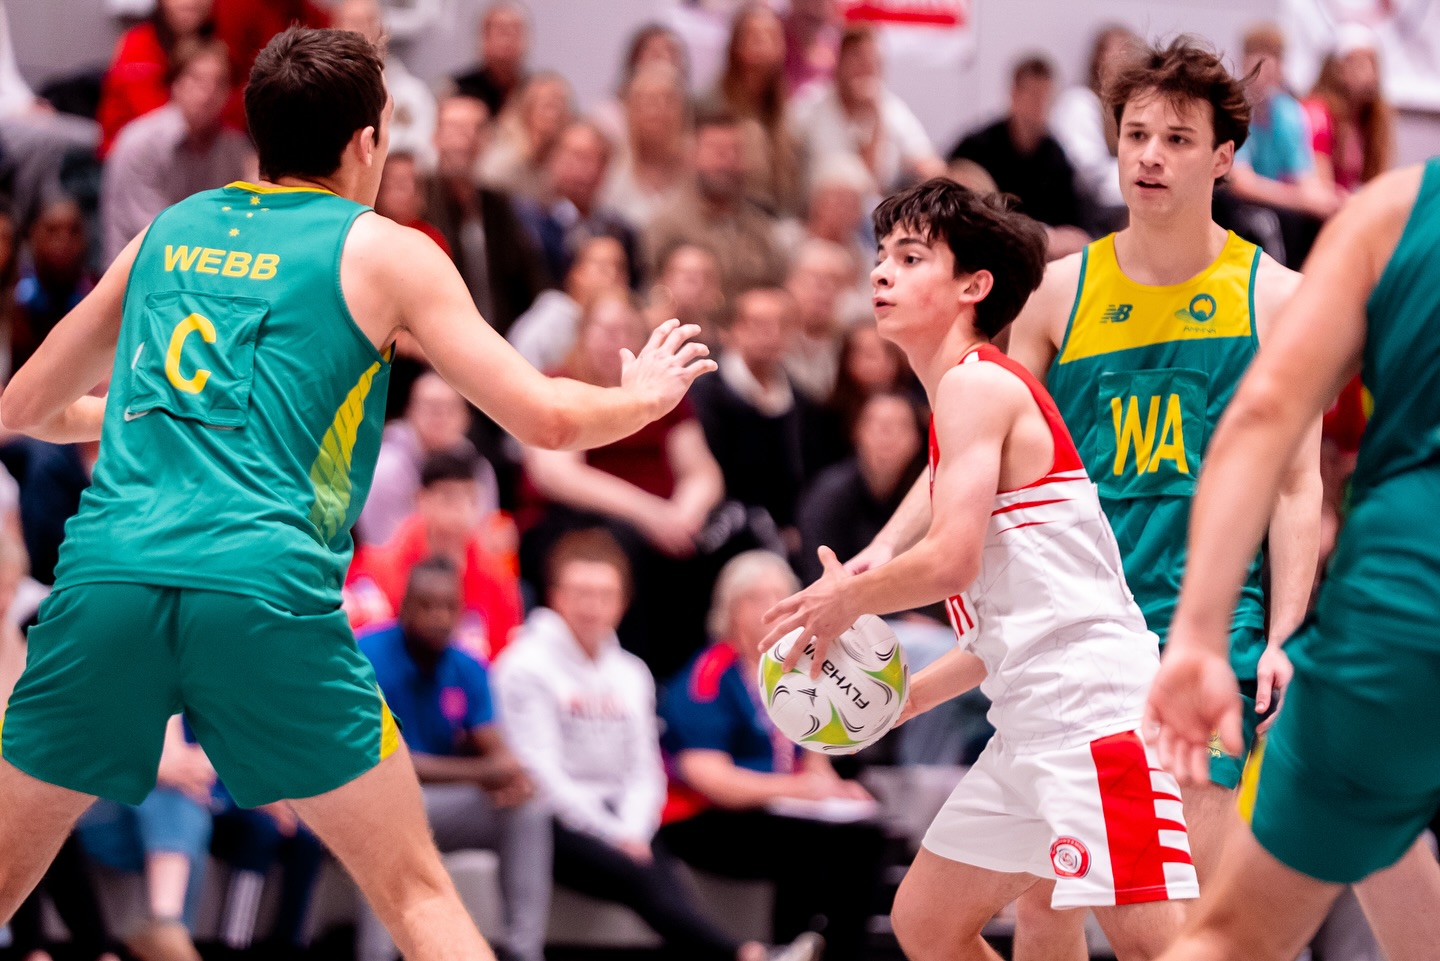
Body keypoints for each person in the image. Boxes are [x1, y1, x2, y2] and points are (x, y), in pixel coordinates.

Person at [0, 26, 714, 961]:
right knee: (416, 890)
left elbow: (25, 405)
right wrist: (644, 397)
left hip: (105, 588)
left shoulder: (166, 231)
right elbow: (542, 417)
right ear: (368, 143)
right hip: (261, 594)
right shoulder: (386, 251)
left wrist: (173, 411)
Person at [1005, 37, 1436, 959]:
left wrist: (1282, 631)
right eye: (1135, 135)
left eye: (1175, 137)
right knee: (1046, 905)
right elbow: (992, 467)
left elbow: (1291, 480)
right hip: (1079, 631)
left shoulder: (1274, 295)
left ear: (1224, 157)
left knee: (1191, 919)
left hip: (1207, 632)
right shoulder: (1054, 293)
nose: (1150, 155)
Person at [762, 177, 1198, 961]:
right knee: (926, 920)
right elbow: (1008, 626)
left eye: (910, 256)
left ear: (974, 285)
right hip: (1033, 711)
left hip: (1096, 712)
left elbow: (954, 558)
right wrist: (904, 699)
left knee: (1153, 944)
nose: (881, 272)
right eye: (882, 255)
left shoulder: (976, 384)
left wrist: (842, 602)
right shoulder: (955, 405)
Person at [1143, 161, 1440, 961]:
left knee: (1235, 937)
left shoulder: (1393, 210)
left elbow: (1267, 413)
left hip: (1408, 593)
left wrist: (1198, 634)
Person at [494, 530, 823, 961]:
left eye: (604, 594)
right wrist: (615, 835)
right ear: (555, 596)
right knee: (642, 874)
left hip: (622, 818)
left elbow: (643, 769)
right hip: (552, 822)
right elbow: (540, 775)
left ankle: (751, 955)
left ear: (623, 600)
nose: (592, 606)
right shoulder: (524, 665)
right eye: (580, 593)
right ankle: (747, 956)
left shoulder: (631, 673)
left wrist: (631, 828)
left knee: (654, 867)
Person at [661, 550, 886, 961]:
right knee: (802, 842)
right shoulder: (709, 675)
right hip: (705, 816)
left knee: (867, 835)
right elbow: (709, 777)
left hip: (781, 809)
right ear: (730, 609)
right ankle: (789, 949)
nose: (772, 608)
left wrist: (832, 789)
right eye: (757, 598)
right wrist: (800, 789)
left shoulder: (795, 670)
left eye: (781, 596)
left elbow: (812, 752)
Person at [518, 289, 727, 677]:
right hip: (574, 521)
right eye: (605, 331)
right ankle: (640, 675)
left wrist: (684, 513)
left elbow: (702, 472)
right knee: (622, 545)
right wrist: (650, 514)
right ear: (583, 334)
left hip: (661, 521)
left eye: (626, 331)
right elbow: (557, 475)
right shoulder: (558, 384)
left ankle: (695, 684)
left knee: (724, 538)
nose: (616, 342)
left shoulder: (662, 394)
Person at [357, 557, 549, 961]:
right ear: (405, 606)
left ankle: (521, 950)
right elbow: (389, 763)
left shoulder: (466, 667)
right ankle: (375, 954)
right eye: (427, 606)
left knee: (527, 810)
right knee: (389, 808)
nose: (439, 617)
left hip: (440, 807)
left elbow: (496, 750)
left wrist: (512, 778)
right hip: (373, 806)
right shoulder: (366, 657)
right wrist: (485, 773)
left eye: (449, 607)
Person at [101, 37, 255, 266]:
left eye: (219, 82)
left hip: (203, 271)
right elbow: (158, 236)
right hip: (138, 276)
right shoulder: (140, 144)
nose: (208, 92)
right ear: (176, 83)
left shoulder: (235, 148)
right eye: (197, 80)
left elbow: (248, 221)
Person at [360, 449, 521, 660]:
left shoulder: (497, 575)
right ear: (421, 499)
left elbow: (507, 654)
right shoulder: (379, 568)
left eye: (471, 500)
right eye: (449, 498)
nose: (461, 511)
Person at [689, 286, 807, 546]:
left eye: (782, 324)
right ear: (730, 331)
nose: (772, 334)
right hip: (720, 532)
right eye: (759, 324)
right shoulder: (703, 396)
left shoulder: (802, 403)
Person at [426, 93, 549, 337]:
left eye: (477, 128)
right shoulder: (420, 200)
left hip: (500, 339)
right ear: (435, 137)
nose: (466, 138)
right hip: (438, 342)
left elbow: (533, 281)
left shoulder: (498, 205)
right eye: (456, 128)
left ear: (487, 140)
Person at [949, 56, 1088, 260]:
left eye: (1046, 99)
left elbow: (1073, 223)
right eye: (1033, 97)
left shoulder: (1056, 156)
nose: (1040, 107)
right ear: (1014, 95)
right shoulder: (977, 148)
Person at [647, 106, 786, 296]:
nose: (728, 162)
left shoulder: (760, 228)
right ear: (693, 156)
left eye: (735, 152)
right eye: (718, 152)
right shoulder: (667, 228)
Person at [794, 24, 943, 195]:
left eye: (873, 61)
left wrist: (876, 118)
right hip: (818, 211)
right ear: (839, 62)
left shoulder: (892, 109)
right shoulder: (810, 107)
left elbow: (928, 163)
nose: (866, 67)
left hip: (879, 213)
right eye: (858, 59)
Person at [357, 371, 499, 548]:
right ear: (409, 411)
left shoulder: (477, 467)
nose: (440, 417)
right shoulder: (386, 468)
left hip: (463, 565)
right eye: (431, 407)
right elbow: (381, 545)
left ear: (466, 417)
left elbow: (487, 537)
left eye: (450, 408)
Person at [515, 120, 640, 290]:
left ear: (605, 169)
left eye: (590, 159)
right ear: (552, 161)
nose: (581, 169)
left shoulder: (620, 231)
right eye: (574, 157)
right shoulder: (527, 221)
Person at [705, 3, 803, 215]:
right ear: (737, 46)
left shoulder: (785, 108)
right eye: (757, 37)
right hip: (732, 214)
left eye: (773, 37)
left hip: (782, 216)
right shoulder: (712, 103)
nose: (767, 45)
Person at [95, 0, 224, 158]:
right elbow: (153, 120)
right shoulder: (138, 43)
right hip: (129, 158)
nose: (191, 2)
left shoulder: (216, 46)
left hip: (196, 155)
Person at [1050, 25, 1139, 235]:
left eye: (1127, 54)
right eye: (1113, 53)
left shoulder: (1133, 109)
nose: (1120, 61)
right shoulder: (1078, 103)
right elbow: (1091, 174)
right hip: (1085, 215)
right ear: (1097, 60)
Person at [507, 234, 628, 373]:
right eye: (603, 268)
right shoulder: (543, 327)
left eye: (621, 268)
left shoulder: (626, 326)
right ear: (576, 273)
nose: (613, 277)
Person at [600, 61, 693, 232]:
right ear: (629, 108)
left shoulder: (696, 165)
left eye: (668, 100)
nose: (657, 110)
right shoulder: (609, 164)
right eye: (647, 101)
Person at [1302, 27, 1394, 197]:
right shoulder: (1318, 114)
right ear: (1338, 69)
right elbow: (1322, 190)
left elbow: (1374, 182)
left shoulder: (1372, 118)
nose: (1371, 73)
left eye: (1374, 64)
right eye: (1361, 63)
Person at [479, 71, 575, 202]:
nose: (555, 114)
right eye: (548, 105)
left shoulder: (565, 166)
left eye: (561, 105)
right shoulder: (503, 162)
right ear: (526, 111)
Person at [451, 0, 530, 119]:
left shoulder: (536, 91)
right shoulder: (455, 90)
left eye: (515, 31)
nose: (508, 39)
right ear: (483, 37)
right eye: (501, 31)